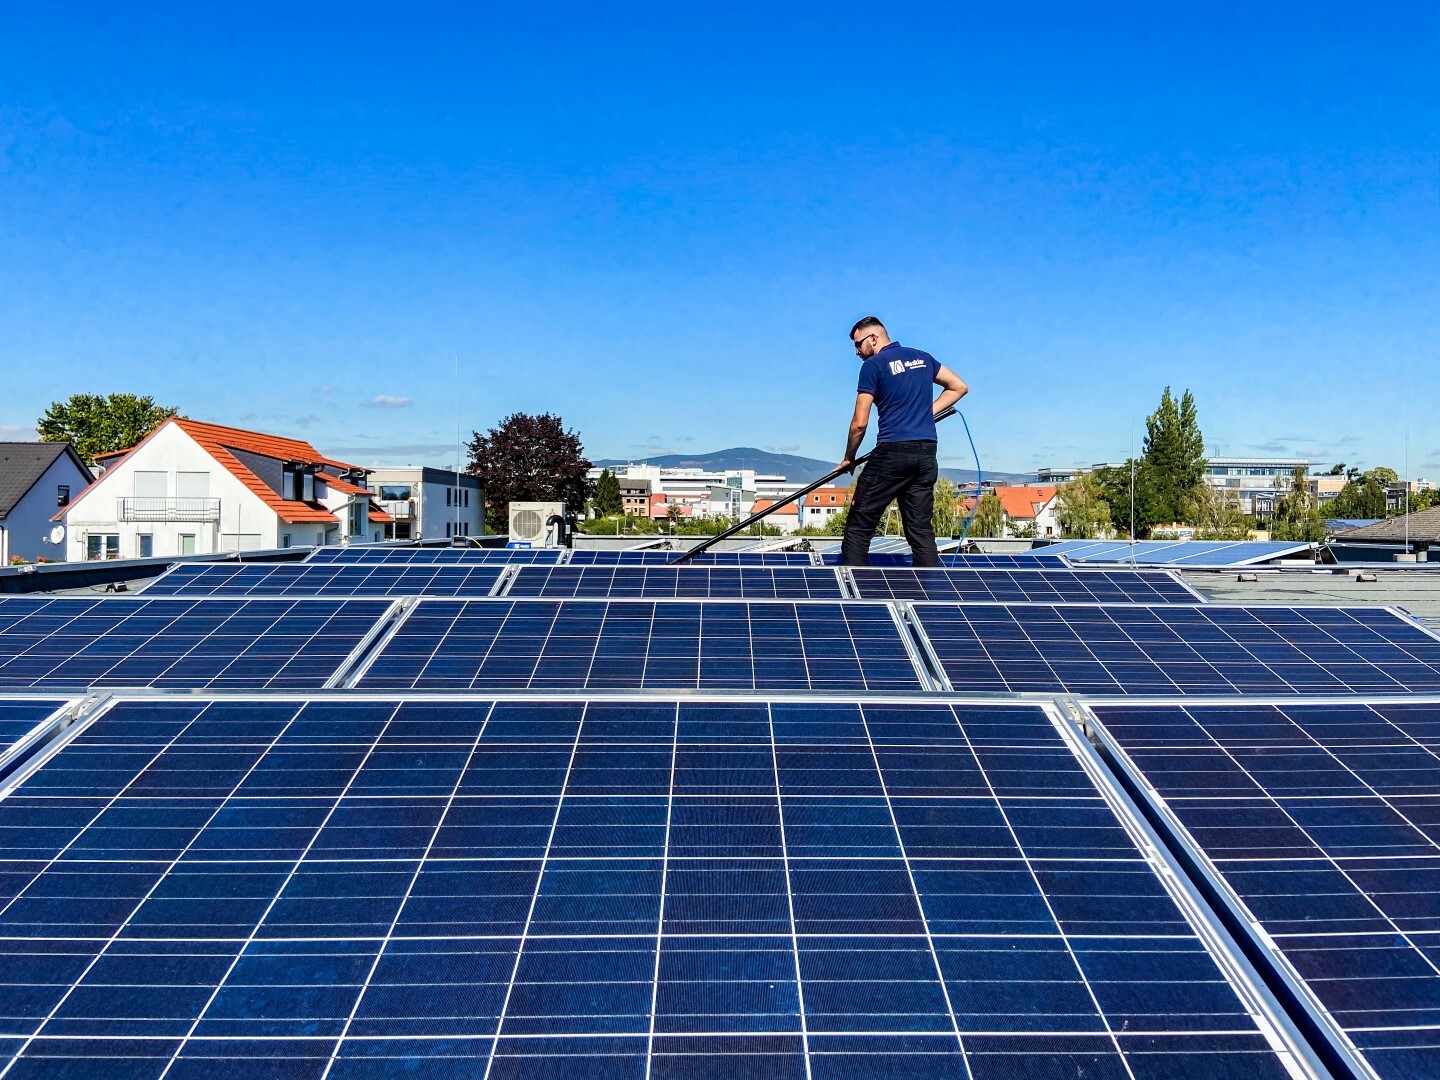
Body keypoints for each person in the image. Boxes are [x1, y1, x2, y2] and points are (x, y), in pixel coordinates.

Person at [838, 316, 968, 567]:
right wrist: (925, 413)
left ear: (873, 339)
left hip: (892, 452)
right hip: (926, 454)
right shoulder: (923, 358)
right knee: (920, 530)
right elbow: (958, 387)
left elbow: (859, 422)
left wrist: (849, 457)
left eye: (858, 344)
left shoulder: (873, 366)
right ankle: (931, 600)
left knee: (859, 525)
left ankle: (854, 601)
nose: (856, 352)